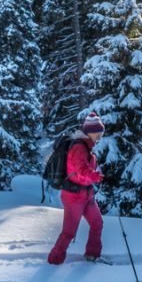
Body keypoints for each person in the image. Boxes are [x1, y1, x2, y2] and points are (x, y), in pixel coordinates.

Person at [47, 112, 106, 264]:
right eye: (97, 132)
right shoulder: (79, 147)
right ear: (88, 132)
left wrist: (97, 175)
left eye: (101, 132)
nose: (99, 135)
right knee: (69, 232)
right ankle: (54, 260)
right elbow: (80, 171)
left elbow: (88, 170)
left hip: (86, 195)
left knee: (97, 223)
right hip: (73, 196)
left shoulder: (88, 147)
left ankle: (92, 255)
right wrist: (96, 177)